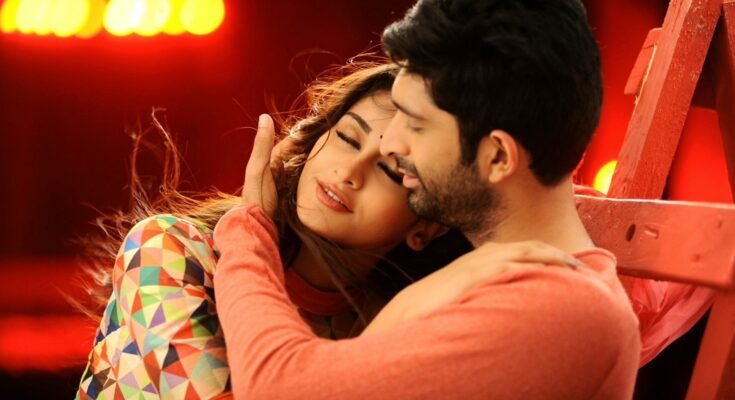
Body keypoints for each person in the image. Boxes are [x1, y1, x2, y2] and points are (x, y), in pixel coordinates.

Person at [211, 0, 642, 398]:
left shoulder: (556, 311)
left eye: (416, 125)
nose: (391, 143)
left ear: (497, 157)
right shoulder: (509, 280)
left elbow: (278, 389)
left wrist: (249, 229)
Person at [75, 61, 573, 399]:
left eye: (390, 171)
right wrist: (248, 228)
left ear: (426, 226)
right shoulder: (170, 251)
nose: (349, 171)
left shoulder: (391, 322)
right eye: (347, 138)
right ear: (309, 142)